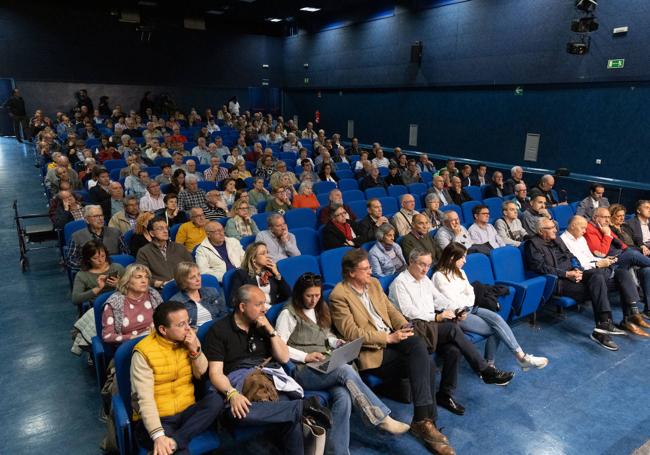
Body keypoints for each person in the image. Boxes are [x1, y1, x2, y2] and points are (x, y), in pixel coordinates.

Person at [329, 249, 455, 455]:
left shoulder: (374, 284)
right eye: (365, 269)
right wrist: (387, 338)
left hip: (393, 338)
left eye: (370, 267)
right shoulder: (338, 295)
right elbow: (351, 333)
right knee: (427, 363)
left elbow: (390, 310)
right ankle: (426, 425)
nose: (370, 271)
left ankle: (423, 421)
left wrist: (404, 325)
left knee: (417, 345)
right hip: (373, 351)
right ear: (351, 272)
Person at [275, 273, 411, 454]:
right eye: (309, 296)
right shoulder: (288, 314)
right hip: (302, 370)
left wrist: (337, 343)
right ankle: (380, 418)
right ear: (300, 294)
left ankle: (337, 451)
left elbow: (326, 335)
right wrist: (305, 357)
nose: (313, 300)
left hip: (323, 364)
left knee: (343, 396)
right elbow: (279, 348)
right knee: (344, 370)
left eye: (317, 295)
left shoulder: (320, 307)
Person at [205, 285, 332, 455]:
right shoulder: (219, 330)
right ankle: (302, 409)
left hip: (269, 378)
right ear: (242, 307)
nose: (264, 309)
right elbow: (215, 373)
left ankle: (298, 409)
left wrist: (271, 331)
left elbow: (284, 358)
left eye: (264, 304)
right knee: (241, 413)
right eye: (258, 305)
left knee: (286, 412)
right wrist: (232, 394)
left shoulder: (262, 324)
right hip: (238, 385)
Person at [389, 250, 516, 414]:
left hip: (430, 327)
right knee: (451, 328)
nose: (425, 269)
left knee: (453, 350)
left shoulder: (424, 279)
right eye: (422, 264)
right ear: (411, 262)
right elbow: (408, 312)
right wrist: (437, 316)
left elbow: (439, 299)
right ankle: (485, 370)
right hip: (413, 329)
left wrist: (456, 310)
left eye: (428, 265)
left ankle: (445, 394)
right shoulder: (400, 283)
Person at [433, 242, 549, 369]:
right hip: (459, 315)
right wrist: (464, 302)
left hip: (472, 308)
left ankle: (520, 357)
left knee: (499, 320)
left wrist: (466, 301)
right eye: (462, 258)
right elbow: (452, 301)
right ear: (451, 258)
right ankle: (494, 363)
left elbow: (471, 292)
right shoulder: (439, 276)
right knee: (497, 329)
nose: (465, 261)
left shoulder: (460, 272)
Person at [131, 301, 224, 454]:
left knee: (216, 400)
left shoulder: (189, 339)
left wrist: (195, 351)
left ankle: (175, 441)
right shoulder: (143, 353)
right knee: (176, 450)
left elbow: (200, 374)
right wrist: (159, 436)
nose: (188, 328)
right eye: (181, 324)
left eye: (188, 322)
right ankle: (174, 443)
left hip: (186, 411)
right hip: (160, 418)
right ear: (163, 329)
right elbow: (145, 399)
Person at [524, 218, 627, 351]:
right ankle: (602, 331)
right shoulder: (532, 244)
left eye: (554, 227)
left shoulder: (557, 239)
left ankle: (604, 324)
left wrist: (576, 268)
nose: (555, 230)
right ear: (540, 231)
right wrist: (566, 274)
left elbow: (570, 255)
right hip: (558, 281)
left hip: (573, 274)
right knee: (596, 290)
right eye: (551, 228)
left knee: (597, 275)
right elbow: (540, 267)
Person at [561, 215, 649, 337]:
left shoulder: (580, 239)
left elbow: (589, 257)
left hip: (595, 268)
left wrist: (603, 259)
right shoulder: (563, 241)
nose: (585, 231)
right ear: (573, 226)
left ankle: (630, 316)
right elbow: (576, 265)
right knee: (616, 271)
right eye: (582, 228)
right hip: (584, 274)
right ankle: (617, 319)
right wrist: (598, 264)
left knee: (623, 273)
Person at [101, 263, 163, 345]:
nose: (144, 281)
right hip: (130, 345)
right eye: (139, 277)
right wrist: (134, 338)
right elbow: (107, 336)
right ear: (127, 281)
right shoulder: (114, 302)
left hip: (156, 340)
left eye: (146, 277)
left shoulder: (153, 294)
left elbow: (165, 319)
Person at [227, 243, 291, 308]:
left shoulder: (271, 271)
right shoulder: (241, 274)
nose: (267, 256)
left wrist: (277, 274)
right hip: (255, 311)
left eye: (267, 253)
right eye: (263, 253)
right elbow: (233, 301)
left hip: (273, 308)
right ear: (253, 259)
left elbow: (288, 294)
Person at [137, 217, 193, 289]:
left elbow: (192, 267)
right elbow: (141, 276)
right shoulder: (144, 252)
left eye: (166, 228)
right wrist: (159, 283)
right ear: (152, 233)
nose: (165, 231)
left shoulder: (180, 248)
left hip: (184, 286)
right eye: (160, 228)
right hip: (161, 289)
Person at [170, 262, 228, 328]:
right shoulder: (176, 302)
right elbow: (181, 328)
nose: (198, 279)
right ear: (183, 282)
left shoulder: (212, 291)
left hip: (218, 328)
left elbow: (224, 314)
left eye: (199, 275)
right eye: (192, 277)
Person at [71, 240, 124, 311]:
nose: (101, 260)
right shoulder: (82, 275)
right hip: (98, 308)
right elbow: (75, 299)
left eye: (103, 256)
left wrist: (119, 284)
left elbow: (133, 288)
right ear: (88, 259)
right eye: (95, 258)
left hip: (120, 303)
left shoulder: (117, 267)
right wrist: (98, 288)